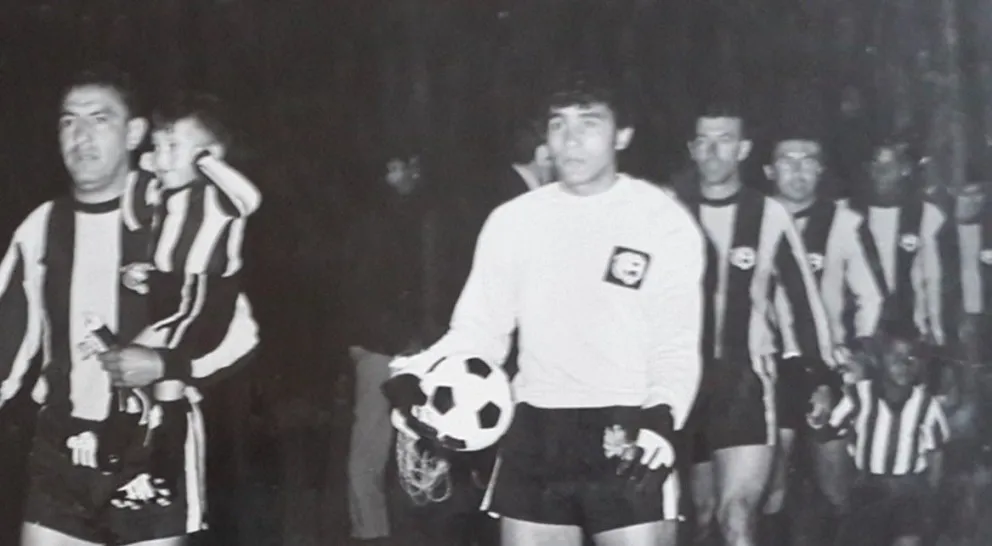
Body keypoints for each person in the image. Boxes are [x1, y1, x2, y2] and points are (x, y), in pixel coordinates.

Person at [384, 71, 705, 546]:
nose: (570, 139)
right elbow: (479, 328)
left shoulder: (662, 221)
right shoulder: (514, 221)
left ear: (623, 135)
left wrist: (661, 417)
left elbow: (675, 342)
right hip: (535, 427)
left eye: (589, 123)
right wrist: (420, 373)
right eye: (558, 125)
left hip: (626, 427)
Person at [0, 64, 259, 546]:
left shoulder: (179, 218)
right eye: (68, 120)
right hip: (60, 447)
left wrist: (165, 361)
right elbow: (6, 341)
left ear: (135, 132)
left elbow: (241, 334)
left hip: (153, 443)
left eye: (99, 119)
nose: (80, 135)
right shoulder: (42, 226)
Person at [676, 102, 836, 546]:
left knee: (738, 511)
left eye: (724, 139)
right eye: (704, 140)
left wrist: (821, 375)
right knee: (698, 515)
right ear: (691, 148)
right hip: (679, 382)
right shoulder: (666, 210)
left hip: (744, 381)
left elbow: (803, 303)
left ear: (744, 149)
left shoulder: (768, 214)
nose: (713, 151)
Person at [118, 91, 261, 507]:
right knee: (152, 380)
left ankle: (157, 471)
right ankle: (152, 472)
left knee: (149, 368)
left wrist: (205, 161)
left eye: (172, 147)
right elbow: (134, 218)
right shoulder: (168, 194)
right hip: (170, 291)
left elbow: (250, 200)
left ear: (207, 156)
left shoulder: (215, 194)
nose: (161, 157)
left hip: (201, 296)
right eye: (157, 146)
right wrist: (142, 273)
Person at [764, 125, 885, 545]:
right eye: (786, 160)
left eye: (808, 161)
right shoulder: (751, 218)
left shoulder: (845, 222)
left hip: (825, 370)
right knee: (769, 487)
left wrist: (859, 353)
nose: (797, 170)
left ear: (821, 170)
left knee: (834, 482)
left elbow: (872, 296)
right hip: (766, 370)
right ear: (768, 169)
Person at [811, 323, 949, 546]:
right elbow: (830, 433)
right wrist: (821, 417)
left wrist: (929, 497)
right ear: (878, 359)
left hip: (908, 490)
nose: (904, 365)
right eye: (895, 357)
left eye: (911, 358)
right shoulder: (858, 395)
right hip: (869, 487)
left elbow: (936, 454)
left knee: (908, 540)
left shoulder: (925, 404)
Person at [841, 135, 946, 348]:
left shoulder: (926, 214)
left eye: (890, 164)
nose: (882, 171)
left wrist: (935, 327)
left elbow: (932, 278)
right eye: (876, 163)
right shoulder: (844, 212)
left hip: (908, 330)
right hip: (858, 330)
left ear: (905, 169)